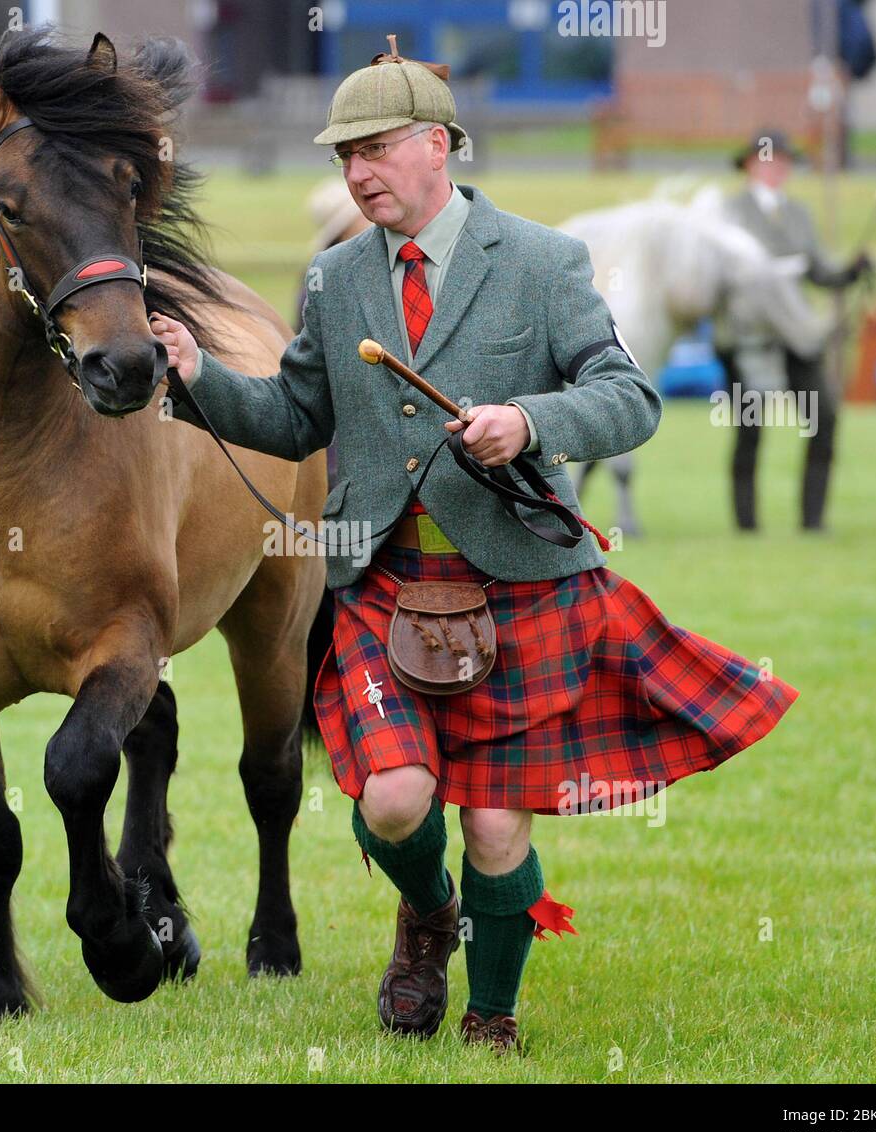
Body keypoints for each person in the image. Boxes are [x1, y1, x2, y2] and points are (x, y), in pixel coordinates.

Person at [151, 42, 799, 1052]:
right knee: (399, 801)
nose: (356, 173)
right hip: (381, 586)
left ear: (438, 144)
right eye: (342, 158)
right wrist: (198, 377)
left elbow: (626, 397)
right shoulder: (334, 280)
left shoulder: (543, 263)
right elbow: (291, 416)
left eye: (372, 150)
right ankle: (426, 912)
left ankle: (491, 1019)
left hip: (520, 588)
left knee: (497, 827)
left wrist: (529, 424)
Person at [721, 128, 872, 532]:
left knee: (823, 417)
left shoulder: (799, 214)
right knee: (750, 426)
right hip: (751, 336)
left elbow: (819, 271)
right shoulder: (729, 213)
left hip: (798, 334)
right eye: (769, 160)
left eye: (783, 162)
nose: (776, 168)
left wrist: (851, 272)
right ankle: (747, 523)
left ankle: (813, 520)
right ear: (751, 164)